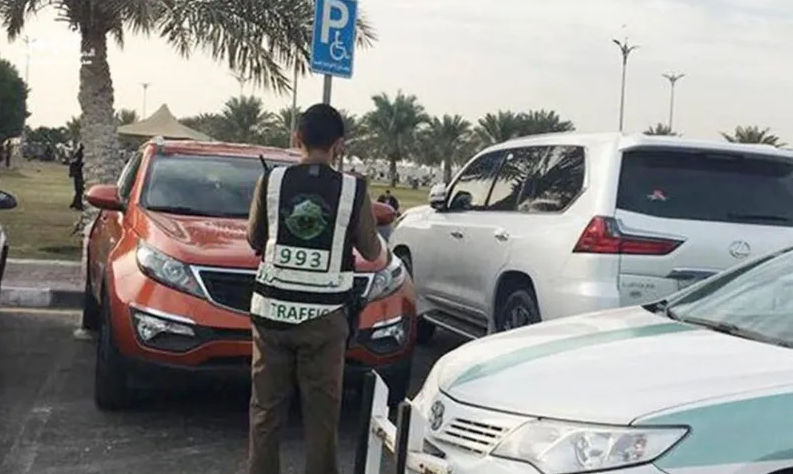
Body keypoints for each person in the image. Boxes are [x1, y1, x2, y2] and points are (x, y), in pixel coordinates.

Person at [246, 103, 382, 474]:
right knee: (322, 417)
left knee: (265, 411)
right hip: (325, 319)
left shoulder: (271, 181)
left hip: (271, 315)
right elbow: (372, 251)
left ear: (296, 139)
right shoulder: (353, 189)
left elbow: (254, 238)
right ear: (339, 145)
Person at [69, 143, 85, 210]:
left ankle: (75, 203)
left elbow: (72, 163)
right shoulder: (80, 154)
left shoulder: (77, 154)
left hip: (76, 173)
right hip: (78, 174)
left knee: (78, 189)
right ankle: (78, 204)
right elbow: (78, 163)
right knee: (79, 189)